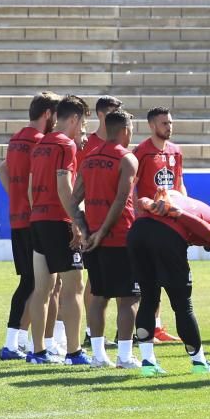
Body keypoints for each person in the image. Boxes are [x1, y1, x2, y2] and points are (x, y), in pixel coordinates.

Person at [127, 189, 210, 376]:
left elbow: (144, 201)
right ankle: (199, 363)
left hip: (138, 231)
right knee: (183, 306)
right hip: (166, 237)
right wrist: (179, 214)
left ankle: (148, 363)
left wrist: (149, 204)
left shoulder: (179, 197)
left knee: (148, 299)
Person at [72, 109, 142, 369]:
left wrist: (86, 229)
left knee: (99, 296)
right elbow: (122, 199)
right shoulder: (127, 159)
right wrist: (101, 232)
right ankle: (124, 357)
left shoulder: (89, 158)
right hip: (120, 237)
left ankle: (99, 356)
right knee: (130, 298)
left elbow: (73, 200)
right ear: (124, 130)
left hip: (94, 240)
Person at [25, 95, 90, 365]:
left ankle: (37, 352)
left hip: (37, 219)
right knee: (74, 286)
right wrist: (76, 221)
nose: (81, 129)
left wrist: (38, 213)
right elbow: (64, 186)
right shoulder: (66, 145)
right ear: (74, 119)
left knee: (42, 289)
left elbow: (30, 189)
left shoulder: (39, 145)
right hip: (58, 220)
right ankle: (74, 352)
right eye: (82, 122)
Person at [0, 92, 61, 360]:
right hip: (34, 220)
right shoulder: (40, 142)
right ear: (48, 114)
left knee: (32, 282)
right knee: (39, 284)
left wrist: (17, 198)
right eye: (56, 115)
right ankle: (18, 343)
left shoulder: (17, 139)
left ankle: (17, 341)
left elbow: (2, 169)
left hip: (17, 218)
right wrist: (30, 202)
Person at [134, 106, 185, 343]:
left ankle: (156, 327)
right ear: (152, 125)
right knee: (149, 280)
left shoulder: (175, 152)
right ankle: (144, 328)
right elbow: (131, 188)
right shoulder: (141, 152)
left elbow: (179, 184)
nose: (169, 126)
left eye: (171, 122)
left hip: (171, 225)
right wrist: (137, 218)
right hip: (149, 225)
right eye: (165, 123)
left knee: (168, 277)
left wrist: (184, 210)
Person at [81, 95, 123, 348]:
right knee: (92, 282)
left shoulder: (121, 146)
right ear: (100, 115)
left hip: (117, 222)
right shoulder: (89, 143)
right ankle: (89, 330)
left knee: (123, 283)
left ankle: (122, 333)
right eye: (111, 112)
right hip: (92, 220)